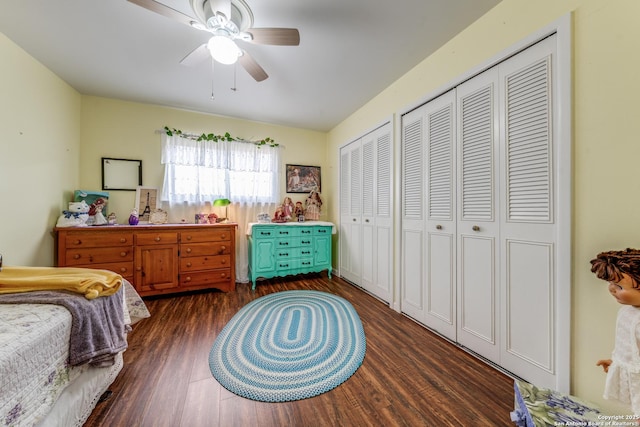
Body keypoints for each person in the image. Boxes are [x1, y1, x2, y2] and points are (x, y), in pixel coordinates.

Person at [590, 248, 640, 416]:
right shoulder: (627, 311)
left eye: (619, 286)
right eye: (610, 284)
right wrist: (617, 360)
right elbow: (631, 346)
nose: (612, 289)